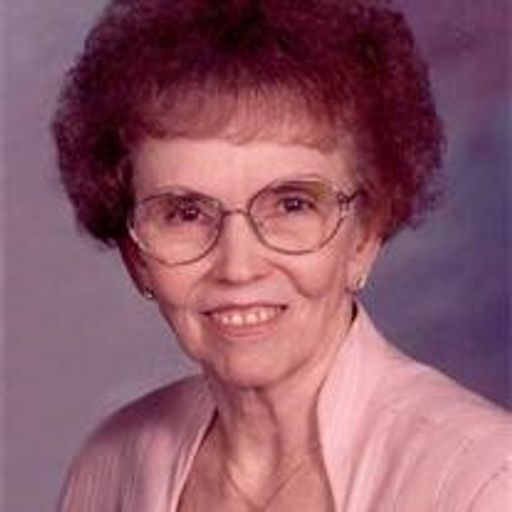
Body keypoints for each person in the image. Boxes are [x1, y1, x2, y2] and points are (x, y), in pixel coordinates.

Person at [53, 0, 511, 510]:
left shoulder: (484, 483)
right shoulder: (111, 466)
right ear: (135, 257)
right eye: (185, 213)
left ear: (364, 236)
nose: (238, 267)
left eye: (292, 204)